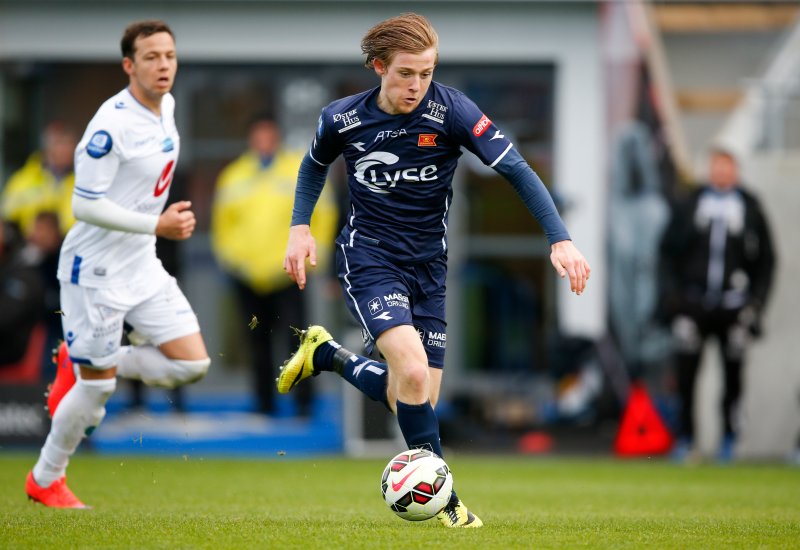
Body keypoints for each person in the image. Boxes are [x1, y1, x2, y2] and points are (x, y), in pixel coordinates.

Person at [277, 13, 590, 528]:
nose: (417, 85)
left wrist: (560, 237)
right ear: (379, 67)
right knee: (415, 374)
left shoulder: (452, 112)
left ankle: (328, 355)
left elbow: (515, 167)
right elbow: (313, 164)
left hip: (429, 268)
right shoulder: (343, 118)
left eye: (426, 72)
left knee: (415, 397)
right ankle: (448, 503)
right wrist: (299, 227)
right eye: (405, 73)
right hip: (370, 258)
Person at [25, 20, 211, 508]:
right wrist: (157, 226)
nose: (163, 65)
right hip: (96, 272)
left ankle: (84, 358)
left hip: (141, 263)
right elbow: (83, 206)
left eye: (169, 55)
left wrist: (154, 230)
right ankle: (46, 478)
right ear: (129, 65)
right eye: (151, 57)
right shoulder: (110, 125)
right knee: (95, 395)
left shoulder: (166, 106)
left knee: (193, 364)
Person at [211, 115, 336, 416]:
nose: (264, 140)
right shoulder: (234, 175)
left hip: (289, 274)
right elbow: (222, 225)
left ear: (276, 137)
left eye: (269, 134)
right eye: (259, 135)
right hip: (248, 276)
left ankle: (303, 404)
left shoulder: (298, 169)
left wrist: (312, 258)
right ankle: (263, 404)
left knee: (299, 342)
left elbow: (325, 215)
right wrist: (233, 261)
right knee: (258, 342)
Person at [659, 147, 776, 463]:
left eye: (728, 168)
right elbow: (667, 252)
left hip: (734, 306)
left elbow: (766, 260)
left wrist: (757, 302)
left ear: (736, 171)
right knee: (686, 376)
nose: (722, 173)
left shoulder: (750, 207)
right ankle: (686, 439)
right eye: (717, 167)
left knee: (733, 377)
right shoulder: (691, 203)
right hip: (694, 304)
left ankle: (729, 439)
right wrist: (674, 299)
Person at [1, 121, 77, 238]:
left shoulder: (82, 180)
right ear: (47, 147)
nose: (64, 149)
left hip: (70, 244)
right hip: (29, 246)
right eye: (59, 143)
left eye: (68, 144)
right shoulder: (23, 179)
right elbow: (7, 215)